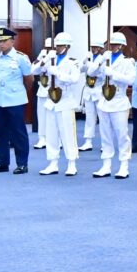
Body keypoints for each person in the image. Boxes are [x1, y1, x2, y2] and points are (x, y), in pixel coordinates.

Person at [91, 33, 136, 179]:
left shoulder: (127, 62)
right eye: (112, 44)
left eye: (116, 44)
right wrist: (99, 61)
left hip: (119, 101)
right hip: (104, 101)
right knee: (105, 135)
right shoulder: (105, 59)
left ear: (122, 46)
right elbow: (91, 72)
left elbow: (131, 80)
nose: (113, 46)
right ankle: (106, 165)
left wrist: (114, 74)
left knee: (122, 135)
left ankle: (124, 165)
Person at [0, 28, 33, 175]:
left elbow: (29, 79)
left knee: (18, 132)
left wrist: (20, 93)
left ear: (12, 41)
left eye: (4, 41)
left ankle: (22, 164)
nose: (0, 44)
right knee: (1, 133)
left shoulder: (21, 58)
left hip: (15, 100)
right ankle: (3, 163)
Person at [39, 32, 82, 177]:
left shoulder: (72, 62)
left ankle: (72, 163)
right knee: (51, 134)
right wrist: (45, 59)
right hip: (51, 101)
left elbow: (74, 79)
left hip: (65, 101)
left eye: (60, 45)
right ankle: (53, 163)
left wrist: (57, 72)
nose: (57, 48)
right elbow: (35, 70)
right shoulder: (50, 59)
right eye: (56, 45)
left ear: (67, 47)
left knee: (67, 133)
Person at [78, 40, 105, 152]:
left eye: (96, 47)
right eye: (92, 47)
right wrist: (84, 60)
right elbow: (80, 69)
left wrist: (90, 65)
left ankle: (105, 143)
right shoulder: (89, 58)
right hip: (89, 91)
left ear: (100, 49)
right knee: (89, 118)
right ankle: (88, 142)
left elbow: (97, 73)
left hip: (99, 91)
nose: (93, 49)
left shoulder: (103, 59)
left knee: (103, 119)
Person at [31, 37, 53, 150]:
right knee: (42, 116)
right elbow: (33, 70)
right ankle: (42, 138)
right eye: (47, 48)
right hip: (43, 91)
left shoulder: (57, 59)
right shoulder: (43, 59)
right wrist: (41, 59)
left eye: (51, 48)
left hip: (54, 92)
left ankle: (55, 139)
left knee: (53, 117)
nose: (49, 50)